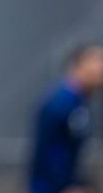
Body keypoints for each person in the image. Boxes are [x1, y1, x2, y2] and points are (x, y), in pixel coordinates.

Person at [29, 44, 103, 193]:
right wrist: (66, 186)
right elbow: (47, 153)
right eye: (98, 59)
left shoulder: (80, 102)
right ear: (80, 63)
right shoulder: (60, 102)